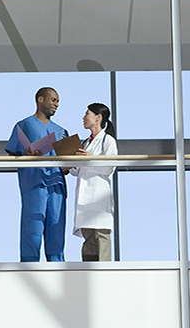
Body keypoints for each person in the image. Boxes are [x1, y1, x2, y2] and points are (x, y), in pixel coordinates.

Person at [5, 87, 69, 262]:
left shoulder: (61, 131)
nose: (56, 104)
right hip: (34, 183)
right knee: (32, 229)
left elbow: (67, 166)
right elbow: (13, 154)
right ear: (40, 100)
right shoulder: (23, 125)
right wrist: (26, 155)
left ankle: (58, 270)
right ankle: (28, 269)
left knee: (57, 230)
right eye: (53, 100)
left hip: (57, 185)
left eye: (57, 101)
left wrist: (69, 163)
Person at [70, 103, 118, 261]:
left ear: (98, 117)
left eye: (87, 114)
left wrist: (89, 158)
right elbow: (78, 171)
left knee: (101, 236)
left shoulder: (107, 141)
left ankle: (105, 274)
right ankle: (88, 272)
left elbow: (109, 168)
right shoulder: (85, 143)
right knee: (88, 238)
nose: (83, 118)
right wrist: (71, 163)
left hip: (98, 197)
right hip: (84, 198)